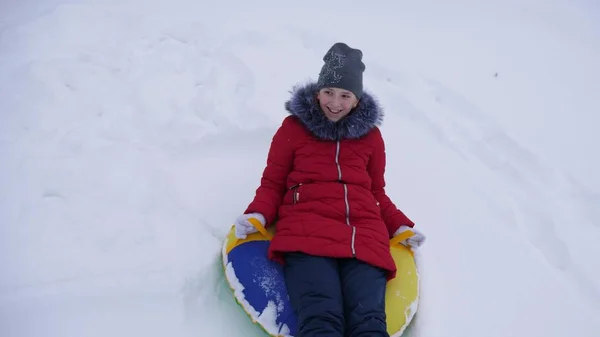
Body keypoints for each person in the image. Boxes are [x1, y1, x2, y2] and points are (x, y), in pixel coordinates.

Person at [233, 42, 426, 337]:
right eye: (328, 92)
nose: (335, 102)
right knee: (321, 316)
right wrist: (258, 213)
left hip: (362, 237)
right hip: (306, 232)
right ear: (317, 92)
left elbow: (376, 192)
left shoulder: (371, 138)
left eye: (345, 95)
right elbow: (273, 182)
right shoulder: (293, 129)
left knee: (369, 321)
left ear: (357, 100)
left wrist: (399, 224)